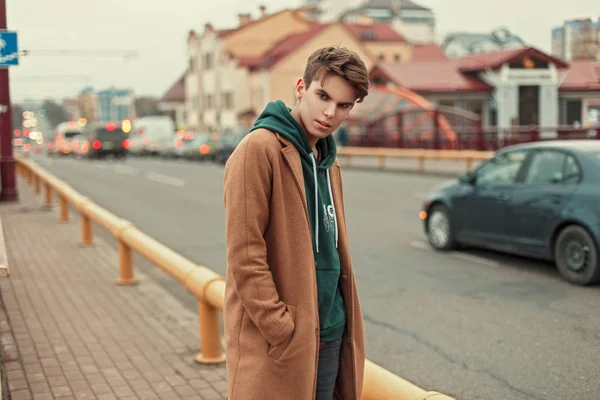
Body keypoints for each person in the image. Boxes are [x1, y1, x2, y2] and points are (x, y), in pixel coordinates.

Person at [223, 46, 369, 400]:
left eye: (344, 105)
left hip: (331, 328)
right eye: (323, 96)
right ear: (301, 87)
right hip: (286, 335)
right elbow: (245, 252)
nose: (330, 112)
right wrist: (280, 327)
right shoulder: (259, 149)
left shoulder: (327, 160)